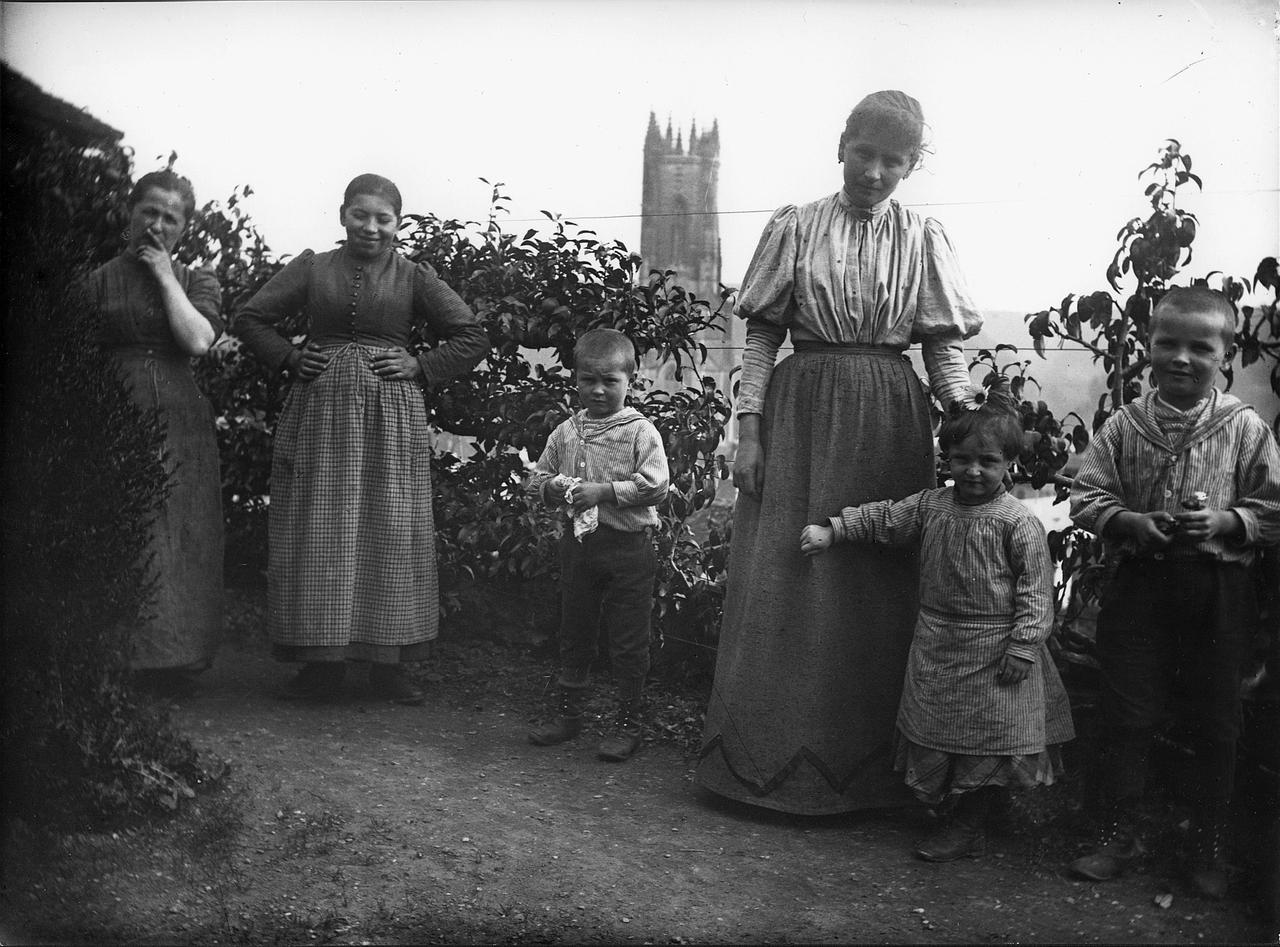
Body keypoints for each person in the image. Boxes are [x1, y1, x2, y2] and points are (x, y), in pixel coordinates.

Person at [697, 90, 984, 813]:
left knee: (871, 585)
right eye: (866, 153)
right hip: (800, 415)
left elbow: (944, 354)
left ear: (911, 166)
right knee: (787, 577)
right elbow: (761, 336)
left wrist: (975, 426)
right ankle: (763, 767)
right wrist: (750, 430)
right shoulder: (796, 226)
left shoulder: (922, 238)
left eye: (895, 160)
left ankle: (869, 781)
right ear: (842, 147)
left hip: (889, 418)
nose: (876, 172)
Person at [235, 173, 488, 705]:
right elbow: (251, 317)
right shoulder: (312, 267)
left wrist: (420, 363)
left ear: (398, 224)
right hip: (319, 413)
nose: (370, 228)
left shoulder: (414, 276)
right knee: (318, 526)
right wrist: (287, 356)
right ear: (342, 214)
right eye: (360, 215)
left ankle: (388, 666)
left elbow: (471, 336)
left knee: (389, 526)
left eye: (383, 219)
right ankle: (318, 664)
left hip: (389, 419)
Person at [1068, 286, 1280, 899]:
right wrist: (1128, 522)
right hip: (1141, 589)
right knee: (1126, 714)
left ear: (1226, 352)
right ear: (1147, 346)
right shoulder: (1124, 426)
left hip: (1221, 590)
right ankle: (1115, 833)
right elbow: (1087, 495)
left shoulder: (1243, 428)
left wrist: (1227, 522)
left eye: (1200, 346)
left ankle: (1206, 841)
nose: (1181, 357)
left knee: (1217, 721)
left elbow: (1274, 507)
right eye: (1167, 343)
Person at [800, 393, 1075, 860]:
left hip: (996, 650)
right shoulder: (930, 506)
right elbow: (885, 517)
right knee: (940, 729)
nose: (972, 471)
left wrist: (1023, 646)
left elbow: (1036, 591)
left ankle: (971, 824)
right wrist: (836, 529)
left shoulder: (1018, 524)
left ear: (1009, 463)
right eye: (961, 459)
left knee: (988, 738)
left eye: (987, 461)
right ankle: (956, 814)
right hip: (939, 643)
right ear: (945, 458)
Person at [86, 169, 224, 693]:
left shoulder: (196, 281)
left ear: (184, 227)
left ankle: (179, 658)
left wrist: (166, 276)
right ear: (131, 213)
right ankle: (123, 658)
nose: (157, 224)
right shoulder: (96, 281)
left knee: (183, 532)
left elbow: (196, 342)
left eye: (171, 217)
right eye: (150, 212)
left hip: (179, 419)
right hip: (114, 412)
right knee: (125, 529)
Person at [525, 328, 670, 761]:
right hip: (581, 546)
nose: (599, 389)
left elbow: (658, 486)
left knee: (628, 638)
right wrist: (554, 487)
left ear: (631, 379)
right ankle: (569, 715)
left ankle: (628, 723)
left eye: (610, 380)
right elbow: (536, 478)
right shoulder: (566, 432)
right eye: (589, 379)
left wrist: (604, 491)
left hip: (629, 548)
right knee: (576, 629)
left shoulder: (640, 431)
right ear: (576, 379)